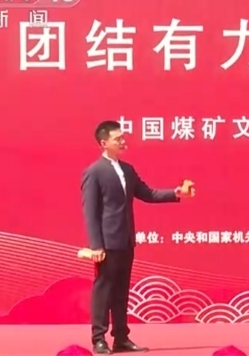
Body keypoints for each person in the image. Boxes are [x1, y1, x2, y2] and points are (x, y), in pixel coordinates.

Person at [81, 120, 191, 354]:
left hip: (126, 240)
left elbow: (148, 194)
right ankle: (98, 339)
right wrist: (96, 245)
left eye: (123, 137)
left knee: (121, 291)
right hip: (106, 244)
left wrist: (176, 193)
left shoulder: (127, 170)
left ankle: (121, 338)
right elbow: (90, 212)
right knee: (104, 291)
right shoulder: (95, 172)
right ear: (104, 143)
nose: (123, 141)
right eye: (117, 139)